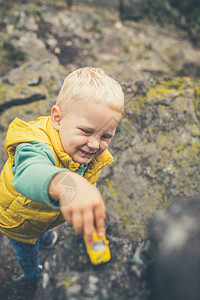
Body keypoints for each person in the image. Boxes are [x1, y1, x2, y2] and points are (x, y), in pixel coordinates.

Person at [0, 67, 124, 287]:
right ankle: (33, 278)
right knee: (27, 250)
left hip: (44, 213)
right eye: (86, 131)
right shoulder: (33, 145)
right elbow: (29, 172)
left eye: (105, 136)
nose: (95, 144)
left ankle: (44, 235)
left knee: (42, 228)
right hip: (17, 220)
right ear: (57, 118)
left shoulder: (92, 153)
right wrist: (67, 182)